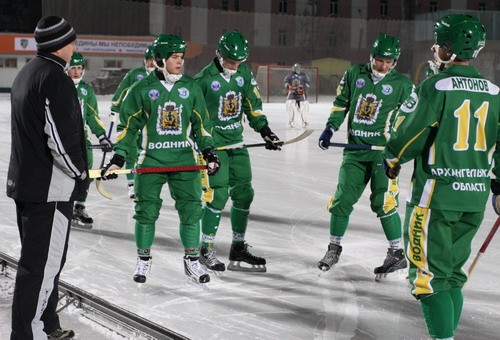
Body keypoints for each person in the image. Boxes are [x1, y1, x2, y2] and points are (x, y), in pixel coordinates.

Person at [384, 14, 498, 339]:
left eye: (438, 43)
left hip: (435, 201)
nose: (434, 48)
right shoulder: (494, 91)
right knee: (450, 277)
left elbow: (409, 134)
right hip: (473, 201)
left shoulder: (435, 86)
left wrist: (392, 157)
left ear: (448, 49)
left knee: (427, 278)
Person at [101, 34, 220, 286]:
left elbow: (202, 125)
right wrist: (119, 157)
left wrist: (209, 151)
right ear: (160, 59)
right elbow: (128, 128)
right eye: (174, 57)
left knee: (191, 212)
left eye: (181, 57)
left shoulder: (191, 87)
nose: (180, 62)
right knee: (146, 213)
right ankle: (143, 259)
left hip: (185, 162)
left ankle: (191, 261)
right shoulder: (141, 90)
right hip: (150, 162)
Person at [6, 16, 88, 339]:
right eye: (71, 42)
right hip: (49, 192)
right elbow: (59, 138)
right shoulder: (54, 78)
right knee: (42, 268)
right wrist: (81, 174)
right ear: (58, 45)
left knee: (38, 264)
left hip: (28, 186)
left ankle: (47, 325)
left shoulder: (27, 73)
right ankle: (29, 333)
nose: (75, 47)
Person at [316, 34, 414, 281]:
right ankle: (334, 248)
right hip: (355, 152)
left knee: (384, 202)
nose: (382, 66)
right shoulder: (354, 74)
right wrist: (330, 127)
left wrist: (399, 154)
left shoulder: (403, 85)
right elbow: (341, 103)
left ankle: (396, 253)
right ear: (371, 57)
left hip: (383, 156)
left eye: (388, 62)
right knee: (342, 200)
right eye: (379, 60)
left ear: (395, 62)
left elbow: (412, 122)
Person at [194, 31, 281, 274]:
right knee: (218, 195)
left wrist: (265, 130)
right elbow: (195, 117)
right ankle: (205, 248)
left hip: (237, 145)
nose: (235, 66)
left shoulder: (244, 74)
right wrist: (205, 146)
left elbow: (253, 106)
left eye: (239, 62)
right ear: (219, 55)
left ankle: (238, 246)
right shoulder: (202, 80)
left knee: (244, 194)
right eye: (231, 61)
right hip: (214, 148)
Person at [67, 52, 112, 229]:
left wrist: (102, 136)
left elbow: (92, 116)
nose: (77, 72)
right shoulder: (60, 87)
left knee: (87, 174)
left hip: (82, 140)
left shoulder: (86, 90)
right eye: (73, 68)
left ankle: (79, 206)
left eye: (80, 68)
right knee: (68, 174)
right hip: (63, 140)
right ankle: (65, 207)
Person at [110, 45, 155, 199]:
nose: (151, 64)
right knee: (131, 151)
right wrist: (115, 106)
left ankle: (144, 182)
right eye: (149, 60)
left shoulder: (161, 78)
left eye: (154, 60)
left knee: (145, 152)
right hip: (133, 118)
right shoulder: (135, 75)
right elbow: (122, 90)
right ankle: (131, 184)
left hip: (149, 122)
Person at [283, 63, 310, 128]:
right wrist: (289, 86)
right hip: (292, 94)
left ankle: (304, 122)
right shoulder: (289, 76)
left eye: (298, 68)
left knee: (303, 108)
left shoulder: (304, 75)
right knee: (291, 107)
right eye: (296, 68)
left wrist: (301, 87)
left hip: (301, 94)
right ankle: (291, 122)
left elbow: (308, 84)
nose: (297, 69)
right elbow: (285, 83)